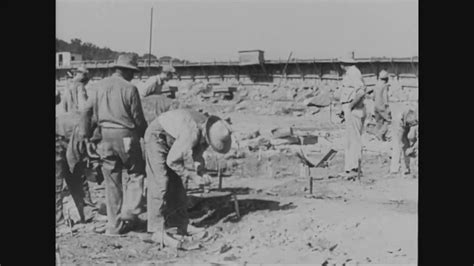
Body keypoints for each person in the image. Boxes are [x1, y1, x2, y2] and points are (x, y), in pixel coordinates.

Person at [79, 54, 148, 235]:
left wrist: (86, 135)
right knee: (136, 172)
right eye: (132, 72)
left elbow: (86, 111)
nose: (133, 75)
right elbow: (138, 118)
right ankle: (130, 213)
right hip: (126, 135)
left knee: (112, 181)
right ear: (124, 71)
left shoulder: (98, 86)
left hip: (105, 136)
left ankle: (114, 226)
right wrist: (145, 135)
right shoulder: (130, 88)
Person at [144, 109, 232, 244]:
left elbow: (197, 154)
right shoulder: (192, 132)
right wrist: (192, 176)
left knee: (178, 182)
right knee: (161, 181)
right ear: (206, 134)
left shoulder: (204, 128)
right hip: (157, 136)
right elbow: (172, 161)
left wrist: (202, 172)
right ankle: (156, 231)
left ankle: (179, 223)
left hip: (174, 139)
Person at [56, 109, 100, 233]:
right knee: (57, 183)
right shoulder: (86, 126)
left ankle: (89, 214)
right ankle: (58, 223)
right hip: (58, 138)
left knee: (78, 176)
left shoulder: (96, 123)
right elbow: (73, 155)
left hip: (67, 138)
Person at [337, 52, 370, 180]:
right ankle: (350, 168)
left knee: (354, 140)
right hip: (351, 109)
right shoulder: (351, 73)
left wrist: (350, 106)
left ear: (343, 64)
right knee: (350, 140)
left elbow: (361, 92)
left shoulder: (354, 73)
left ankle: (354, 169)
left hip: (355, 110)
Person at [389, 107, 418, 176]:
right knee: (398, 145)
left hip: (406, 121)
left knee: (407, 144)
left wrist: (413, 148)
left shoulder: (414, 118)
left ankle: (407, 167)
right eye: (409, 124)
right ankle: (395, 169)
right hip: (398, 124)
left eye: (412, 124)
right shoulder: (398, 120)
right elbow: (399, 142)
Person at [373, 70, 391, 141]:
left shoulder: (376, 85)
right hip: (382, 106)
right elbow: (385, 98)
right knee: (388, 121)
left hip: (376, 106)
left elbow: (373, 97)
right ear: (386, 79)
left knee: (379, 121)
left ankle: (378, 137)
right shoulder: (384, 86)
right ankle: (380, 134)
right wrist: (387, 108)